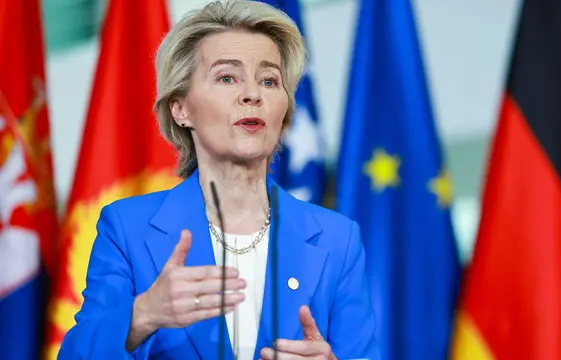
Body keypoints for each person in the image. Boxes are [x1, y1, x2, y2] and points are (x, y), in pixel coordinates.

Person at [57, 1, 379, 359]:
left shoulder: (338, 238)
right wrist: (144, 314)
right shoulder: (128, 228)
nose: (252, 94)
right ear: (181, 108)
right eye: (227, 78)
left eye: (269, 80)